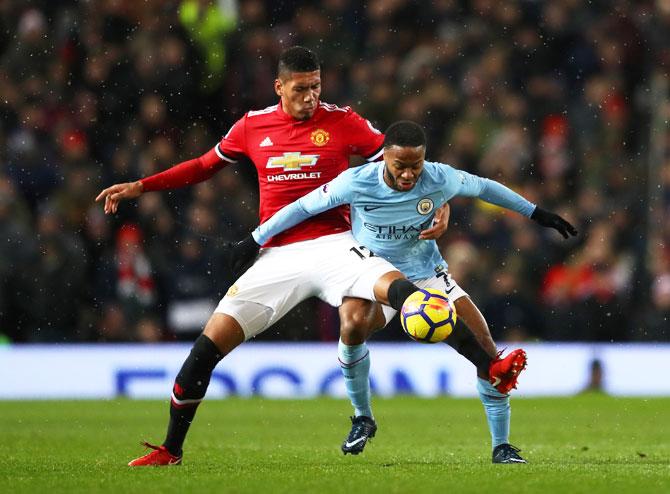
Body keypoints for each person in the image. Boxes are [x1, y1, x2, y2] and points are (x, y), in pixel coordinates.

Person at [96, 46, 480, 466]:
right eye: (301, 88)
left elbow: (404, 165)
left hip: (337, 243)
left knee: (404, 294)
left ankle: (485, 362)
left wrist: (440, 203)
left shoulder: (343, 121)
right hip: (276, 255)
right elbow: (204, 165)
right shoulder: (252, 126)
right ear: (279, 87)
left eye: (316, 86)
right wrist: (142, 186)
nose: (311, 96)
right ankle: (171, 449)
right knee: (205, 350)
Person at [240, 120, 578, 463]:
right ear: (384, 157)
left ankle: (501, 446)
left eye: (415, 165)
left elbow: (485, 187)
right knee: (352, 323)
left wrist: (537, 213)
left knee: (488, 352)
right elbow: (302, 208)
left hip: (427, 273)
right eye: (399, 165)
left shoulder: (439, 176)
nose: (407, 174)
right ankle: (362, 417)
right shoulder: (355, 182)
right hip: (372, 270)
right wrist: (256, 239)